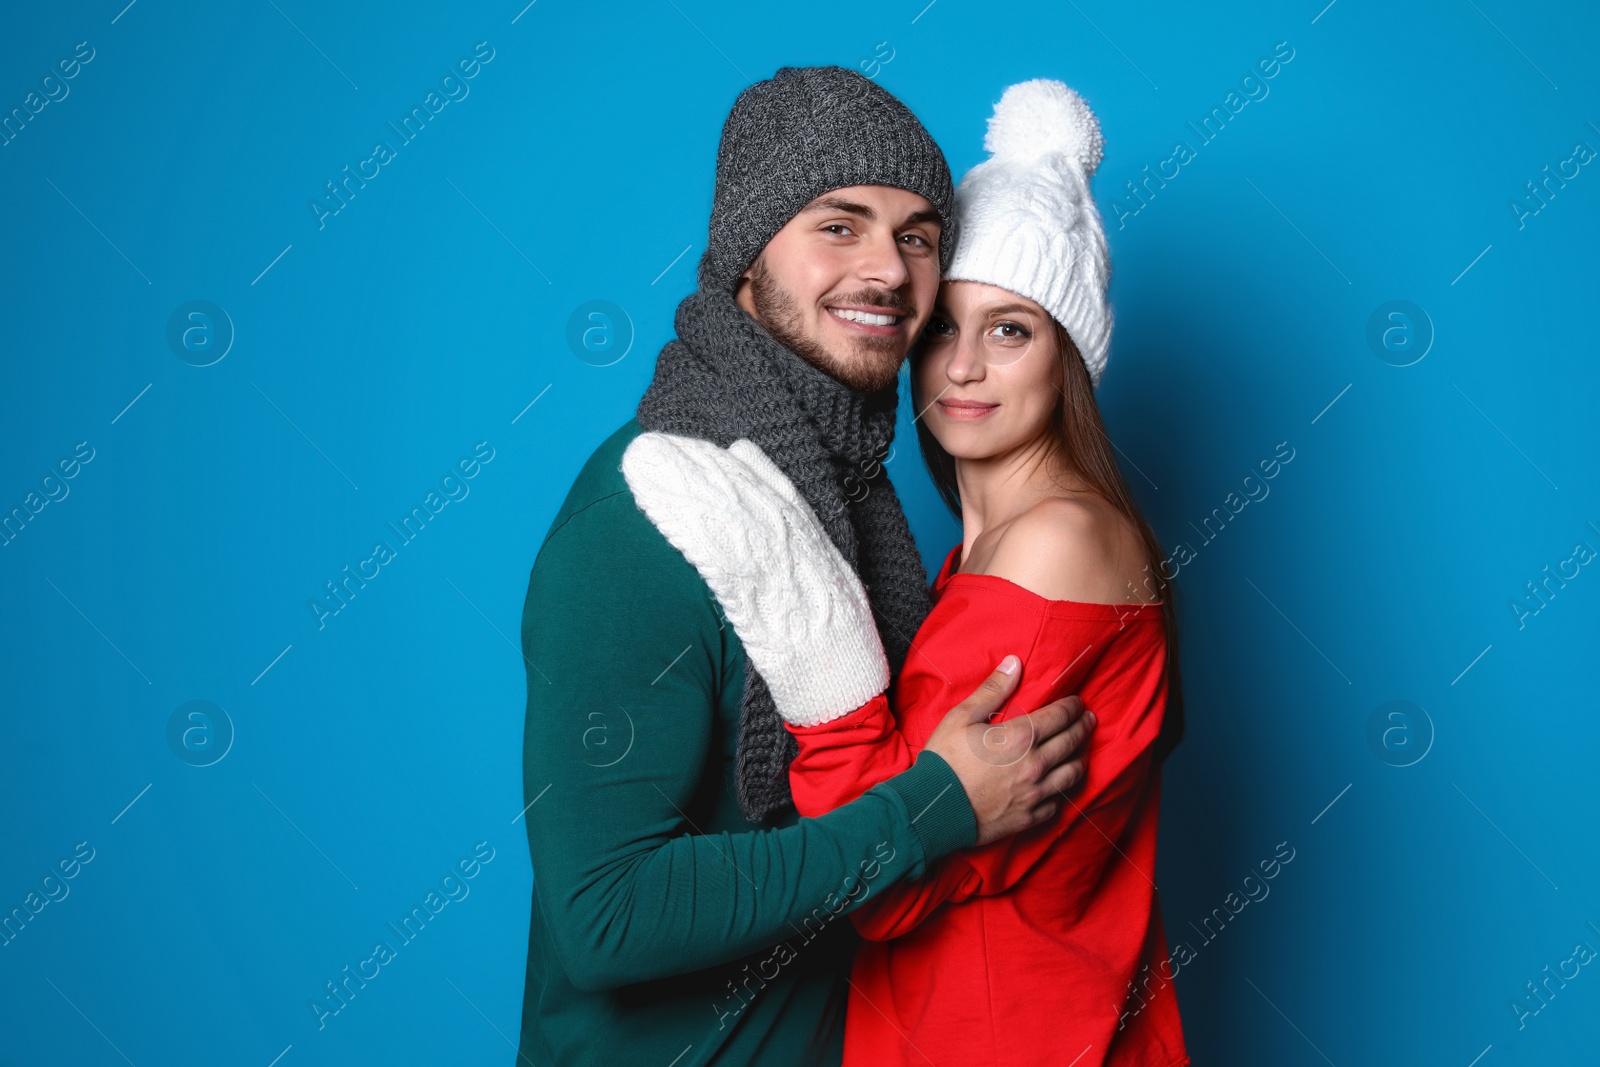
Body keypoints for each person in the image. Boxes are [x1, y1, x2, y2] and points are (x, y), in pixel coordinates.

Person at [517, 66, 1097, 1066]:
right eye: (840, 224)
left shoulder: (849, 505)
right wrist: (934, 807)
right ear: (749, 251)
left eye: (917, 235)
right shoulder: (644, 513)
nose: (887, 271)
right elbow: (604, 915)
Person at [625, 81, 1188, 1065]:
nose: (962, 365)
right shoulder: (981, 554)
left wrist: (821, 655)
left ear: (1067, 357)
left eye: (1010, 329)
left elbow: (882, 887)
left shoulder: (1055, 547)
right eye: (939, 330)